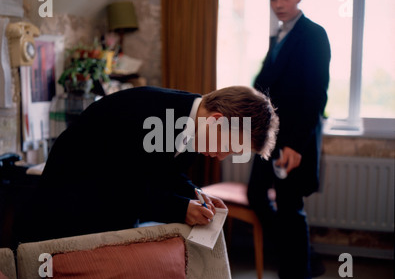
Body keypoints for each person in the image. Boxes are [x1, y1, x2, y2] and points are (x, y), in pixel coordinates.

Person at [14, 85, 279, 243]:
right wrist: (178, 208)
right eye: (228, 148)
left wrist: (194, 193)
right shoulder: (152, 116)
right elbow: (118, 186)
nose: (222, 157)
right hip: (66, 214)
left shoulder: (193, 125)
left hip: (105, 213)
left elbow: (163, 173)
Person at [247, 0, 331, 279]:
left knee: (290, 205)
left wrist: (296, 144)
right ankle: (302, 255)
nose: (278, 4)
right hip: (269, 137)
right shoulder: (278, 35)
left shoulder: (314, 35)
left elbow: (315, 95)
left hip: (296, 138)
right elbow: (264, 83)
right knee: (256, 195)